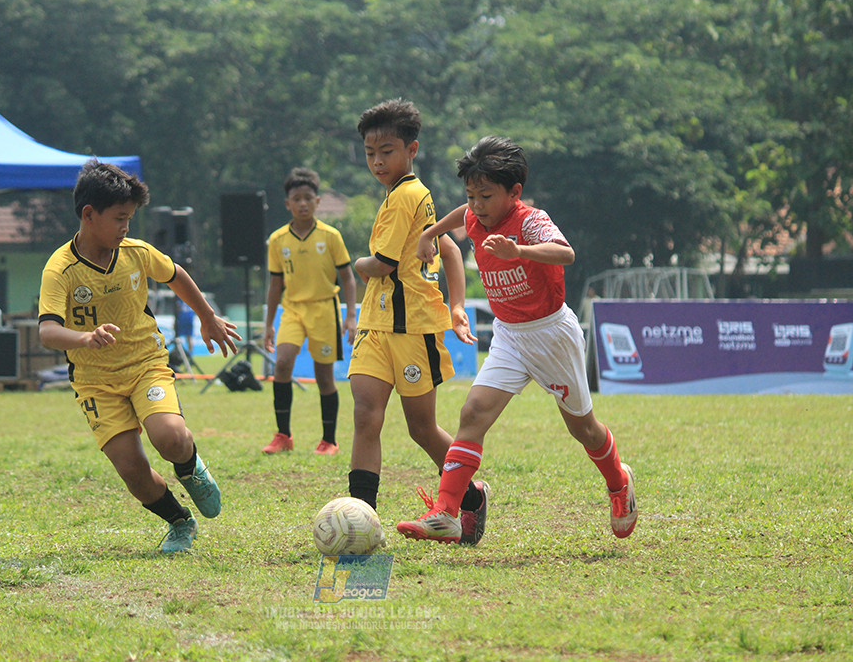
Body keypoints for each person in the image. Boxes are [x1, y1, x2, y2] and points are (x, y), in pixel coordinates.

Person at [396, 136, 637, 543]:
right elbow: (460, 216)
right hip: (509, 335)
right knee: (473, 413)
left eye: (486, 196)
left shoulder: (530, 220)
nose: (476, 206)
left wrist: (519, 251)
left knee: (584, 429)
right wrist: (430, 233)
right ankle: (446, 512)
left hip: (551, 335)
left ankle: (619, 483)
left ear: (514, 192)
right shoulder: (475, 216)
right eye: (471, 195)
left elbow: (566, 253)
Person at [38, 160, 241, 554]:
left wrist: (207, 317)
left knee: (170, 438)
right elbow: (47, 331)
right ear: (88, 215)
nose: (126, 227)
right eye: (120, 218)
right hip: (95, 382)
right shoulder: (60, 269)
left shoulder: (136, 252)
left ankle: (190, 468)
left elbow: (175, 275)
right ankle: (179, 522)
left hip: (145, 364)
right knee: (132, 471)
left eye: (130, 218)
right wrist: (84, 338)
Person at [346, 98, 489, 545]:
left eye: (386, 151)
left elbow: (383, 264)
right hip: (376, 325)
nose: (377, 161)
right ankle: (362, 522)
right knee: (366, 415)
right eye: (370, 153)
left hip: (413, 329)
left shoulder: (409, 194)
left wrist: (357, 265)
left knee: (422, 429)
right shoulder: (400, 196)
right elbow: (449, 249)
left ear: (412, 150)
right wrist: (458, 304)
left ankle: (471, 497)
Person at [261, 168, 358, 456]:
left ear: (317, 202)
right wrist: (269, 324)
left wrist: (351, 316)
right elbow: (275, 284)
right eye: (296, 199)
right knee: (282, 365)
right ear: (287, 204)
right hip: (292, 310)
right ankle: (283, 436)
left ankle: (329, 440)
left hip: (324, 309)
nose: (302, 203)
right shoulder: (278, 240)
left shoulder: (330, 236)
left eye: (307, 198)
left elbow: (348, 278)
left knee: (324, 376)